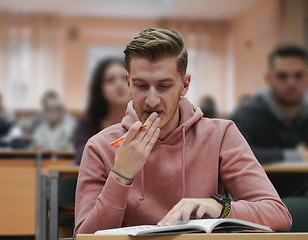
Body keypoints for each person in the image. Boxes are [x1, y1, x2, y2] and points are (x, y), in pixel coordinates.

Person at [74, 28, 292, 235]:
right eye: (141, 86)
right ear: (128, 83)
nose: (151, 100)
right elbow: (85, 236)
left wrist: (220, 208)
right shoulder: (99, 146)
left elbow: (279, 216)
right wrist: (120, 176)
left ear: (185, 85)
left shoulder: (221, 134)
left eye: (164, 86)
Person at [230, 44, 308, 165]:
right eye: (282, 76)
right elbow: (232, 151)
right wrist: (296, 156)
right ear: (268, 78)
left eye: (298, 75)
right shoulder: (246, 115)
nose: (291, 83)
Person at [73, 58, 131, 164]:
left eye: (124, 78)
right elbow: (83, 158)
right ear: (99, 89)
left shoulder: (145, 121)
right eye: (110, 80)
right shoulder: (86, 125)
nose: (119, 84)